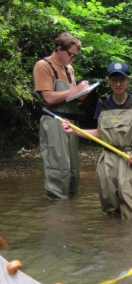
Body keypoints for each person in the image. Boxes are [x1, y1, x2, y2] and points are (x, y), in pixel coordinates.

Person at [61, 62, 132, 219]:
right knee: (109, 209)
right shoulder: (103, 103)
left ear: (128, 81)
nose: (118, 84)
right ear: (109, 81)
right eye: (114, 80)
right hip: (107, 160)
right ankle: (112, 240)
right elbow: (99, 133)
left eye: (122, 79)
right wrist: (73, 130)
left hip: (131, 159)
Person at [33, 32, 91, 199]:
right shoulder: (43, 66)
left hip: (71, 122)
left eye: (75, 56)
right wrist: (75, 90)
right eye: (70, 54)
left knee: (73, 171)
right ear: (59, 49)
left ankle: (71, 212)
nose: (72, 59)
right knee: (58, 170)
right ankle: (57, 216)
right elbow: (49, 98)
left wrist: (82, 94)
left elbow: (71, 99)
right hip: (54, 121)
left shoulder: (69, 68)